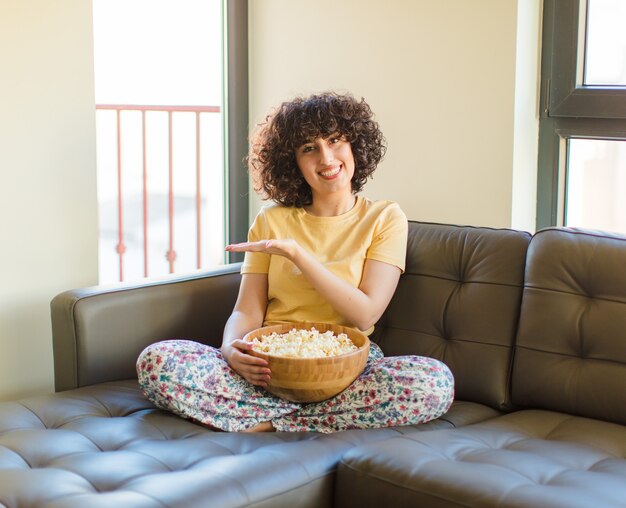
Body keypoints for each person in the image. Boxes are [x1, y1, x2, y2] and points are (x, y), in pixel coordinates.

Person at [136, 92, 454, 433]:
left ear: (355, 146)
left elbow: (366, 313)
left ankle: (267, 422)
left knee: (433, 383)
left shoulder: (385, 217)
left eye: (335, 141)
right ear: (294, 162)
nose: (327, 157)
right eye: (309, 148)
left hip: (343, 374)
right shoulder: (271, 220)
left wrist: (298, 254)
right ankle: (306, 419)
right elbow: (247, 311)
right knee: (157, 361)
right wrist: (231, 349)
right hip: (269, 367)